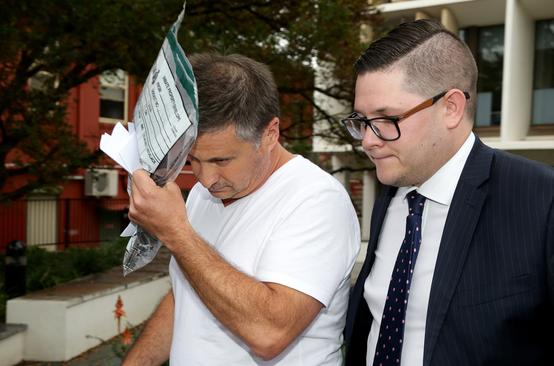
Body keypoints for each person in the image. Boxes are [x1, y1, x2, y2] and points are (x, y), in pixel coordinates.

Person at [122, 53, 361, 365]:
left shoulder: (316, 200)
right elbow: (186, 298)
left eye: (222, 160)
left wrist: (177, 233)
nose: (205, 179)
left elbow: (270, 334)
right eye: (193, 159)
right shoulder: (199, 196)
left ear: (270, 134)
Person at [343, 19, 554, 366]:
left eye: (387, 119)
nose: (368, 140)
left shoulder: (541, 201)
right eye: (362, 120)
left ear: (451, 107)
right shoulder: (390, 197)